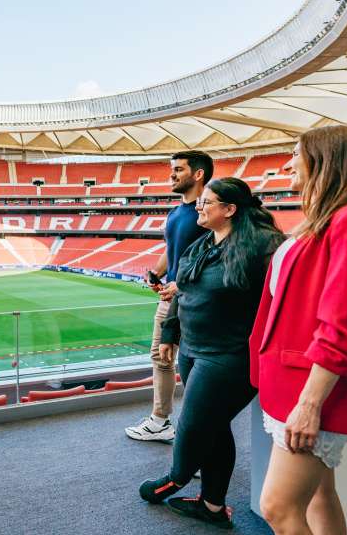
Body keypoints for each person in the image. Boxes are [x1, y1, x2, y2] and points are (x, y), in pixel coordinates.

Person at [253, 126, 347, 535]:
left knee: (277, 507)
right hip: (292, 383)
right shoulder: (324, 222)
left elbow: (344, 323)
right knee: (318, 496)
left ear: (323, 160)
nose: (288, 162)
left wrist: (310, 402)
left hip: (311, 389)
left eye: (295, 153)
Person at [138, 177, 285, 528]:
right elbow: (183, 290)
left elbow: (285, 299)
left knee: (193, 424)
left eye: (207, 202)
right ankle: (213, 507)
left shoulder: (264, 246)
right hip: (193, 349)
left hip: (229, 356)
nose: (199, 207)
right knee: (215, 427)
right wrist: (171, 332)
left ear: (229, 209)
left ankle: (176, 477)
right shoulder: (203, 243)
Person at [125, 150, 212, 443]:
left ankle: (198, 434)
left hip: (196, 301)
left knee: (196, 367)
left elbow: (215, 257)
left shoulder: (208, 211)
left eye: (178, 169)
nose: (172, 175)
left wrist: (182, 284)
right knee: (160, 358)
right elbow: (171, 249)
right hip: (169, 299)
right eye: (172, 169)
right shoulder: (176, 213)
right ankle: (160, 421)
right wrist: (157, 274)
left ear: (198, 174)